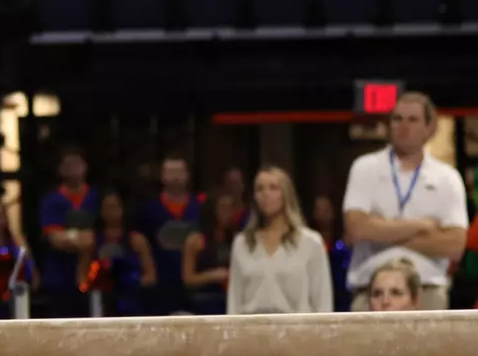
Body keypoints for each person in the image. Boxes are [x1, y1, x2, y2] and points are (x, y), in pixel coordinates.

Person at [342, 91, 467, 311]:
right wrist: (421, 227)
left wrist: (381, 231)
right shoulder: (364, 168)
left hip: (428, 291)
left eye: (413, 119)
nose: (403, 126)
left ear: (430, 127)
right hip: (369, 291)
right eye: (397, 119)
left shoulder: (448, 178)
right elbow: (356, 231)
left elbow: (455, 246)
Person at [80, 190, 156, 356]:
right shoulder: (94, 241)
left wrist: (130, 281)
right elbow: (82, 280)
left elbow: (150, 276)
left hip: (131, 307)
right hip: (106, 308)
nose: (112, 212)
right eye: (107, 207)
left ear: (123, 210)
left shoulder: (135, 240)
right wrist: (98, 281)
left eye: (116, 206)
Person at [227, 166, 333, 316]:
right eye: (260, 189)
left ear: (286, 194)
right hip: (251, 331)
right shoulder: (242, 243)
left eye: (273, 188)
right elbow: (234, 302)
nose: (265, 194)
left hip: (297, 332)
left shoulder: (310, 243)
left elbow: (323, 304)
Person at [38, 145, 99, 317]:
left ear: (85, 166)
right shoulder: (51, 201)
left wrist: (72, 237)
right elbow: (55, 239)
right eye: (68, 165)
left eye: (77, 164)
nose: (73, 169)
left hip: (95, 274)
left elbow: (103, 236)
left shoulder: (97, 197)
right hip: (60, 276)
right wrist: (83, 240)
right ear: (60, 169)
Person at [135, 155, 200, 314]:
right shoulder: (149, 209)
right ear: (162, 176)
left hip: (194, 288)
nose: (176, 177)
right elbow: (138, 240)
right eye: (171, 172)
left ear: (187, 175)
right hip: (160, 287)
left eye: (179, 171)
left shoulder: (199, 207)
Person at [181, 192, 242, 315]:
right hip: (202, 301)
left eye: (231, 208)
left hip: (230, 299)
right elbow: (187, 279)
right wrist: (213, 276)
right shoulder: (195, 240)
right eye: (223, 208)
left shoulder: (237, 238)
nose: (228, 212)